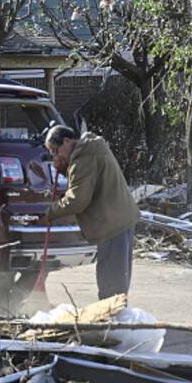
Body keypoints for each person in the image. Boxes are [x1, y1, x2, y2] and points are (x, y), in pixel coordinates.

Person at [44, 125, 139, 299]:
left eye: (55, 151)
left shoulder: (83, 157)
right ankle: (115, 314)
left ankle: (111, 317)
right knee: (118, 276)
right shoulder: (90, 150)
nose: (56, 156)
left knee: (111, 280)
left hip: (111, 222)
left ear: (67, 141)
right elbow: (86, 182)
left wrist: (50, 212)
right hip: (120, 218)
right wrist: (64, 169)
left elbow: (78, 199)